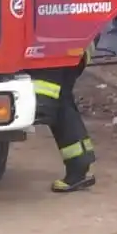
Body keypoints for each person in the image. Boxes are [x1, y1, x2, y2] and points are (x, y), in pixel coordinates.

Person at [31, 48, 96, 193]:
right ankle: (80, 165)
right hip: (71, 50)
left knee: (58, 108)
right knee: (62, 102)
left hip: (55, 53)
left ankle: (79, 168)